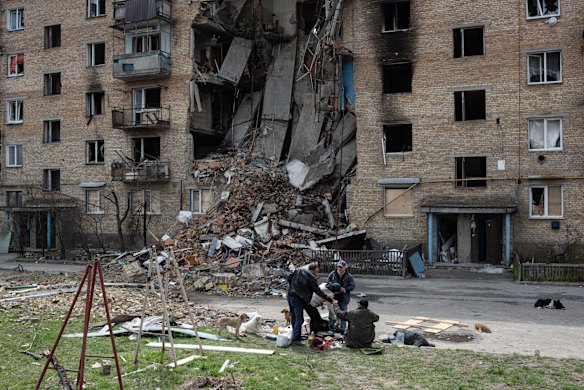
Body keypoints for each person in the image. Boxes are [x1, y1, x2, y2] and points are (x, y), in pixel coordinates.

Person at [287, 263, 335, 345]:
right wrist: (330, 299)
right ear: (312, 270)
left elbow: (289, 278)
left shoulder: (299, 270)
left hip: (290, 295)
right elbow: (318, 291)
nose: (317, 272)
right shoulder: (310, 278)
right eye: (316, 270)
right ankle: (295, 340)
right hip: (299, 299)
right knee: (299, 319)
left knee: (294, 317)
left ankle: (294, 336)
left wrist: (293, 287)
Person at [327, 259, 355, 334]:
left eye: (341, 267)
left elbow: (352, 286)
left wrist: (345, 289)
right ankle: (331, 329)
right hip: (334, 297)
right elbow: (328, 284)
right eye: (338, 267)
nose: (339, 268)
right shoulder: (332, 274)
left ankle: (343, 330)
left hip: (343, 298)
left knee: (343, 314)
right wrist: (333, 287)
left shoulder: (348, 276)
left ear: (345, 268)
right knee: (332, 314)